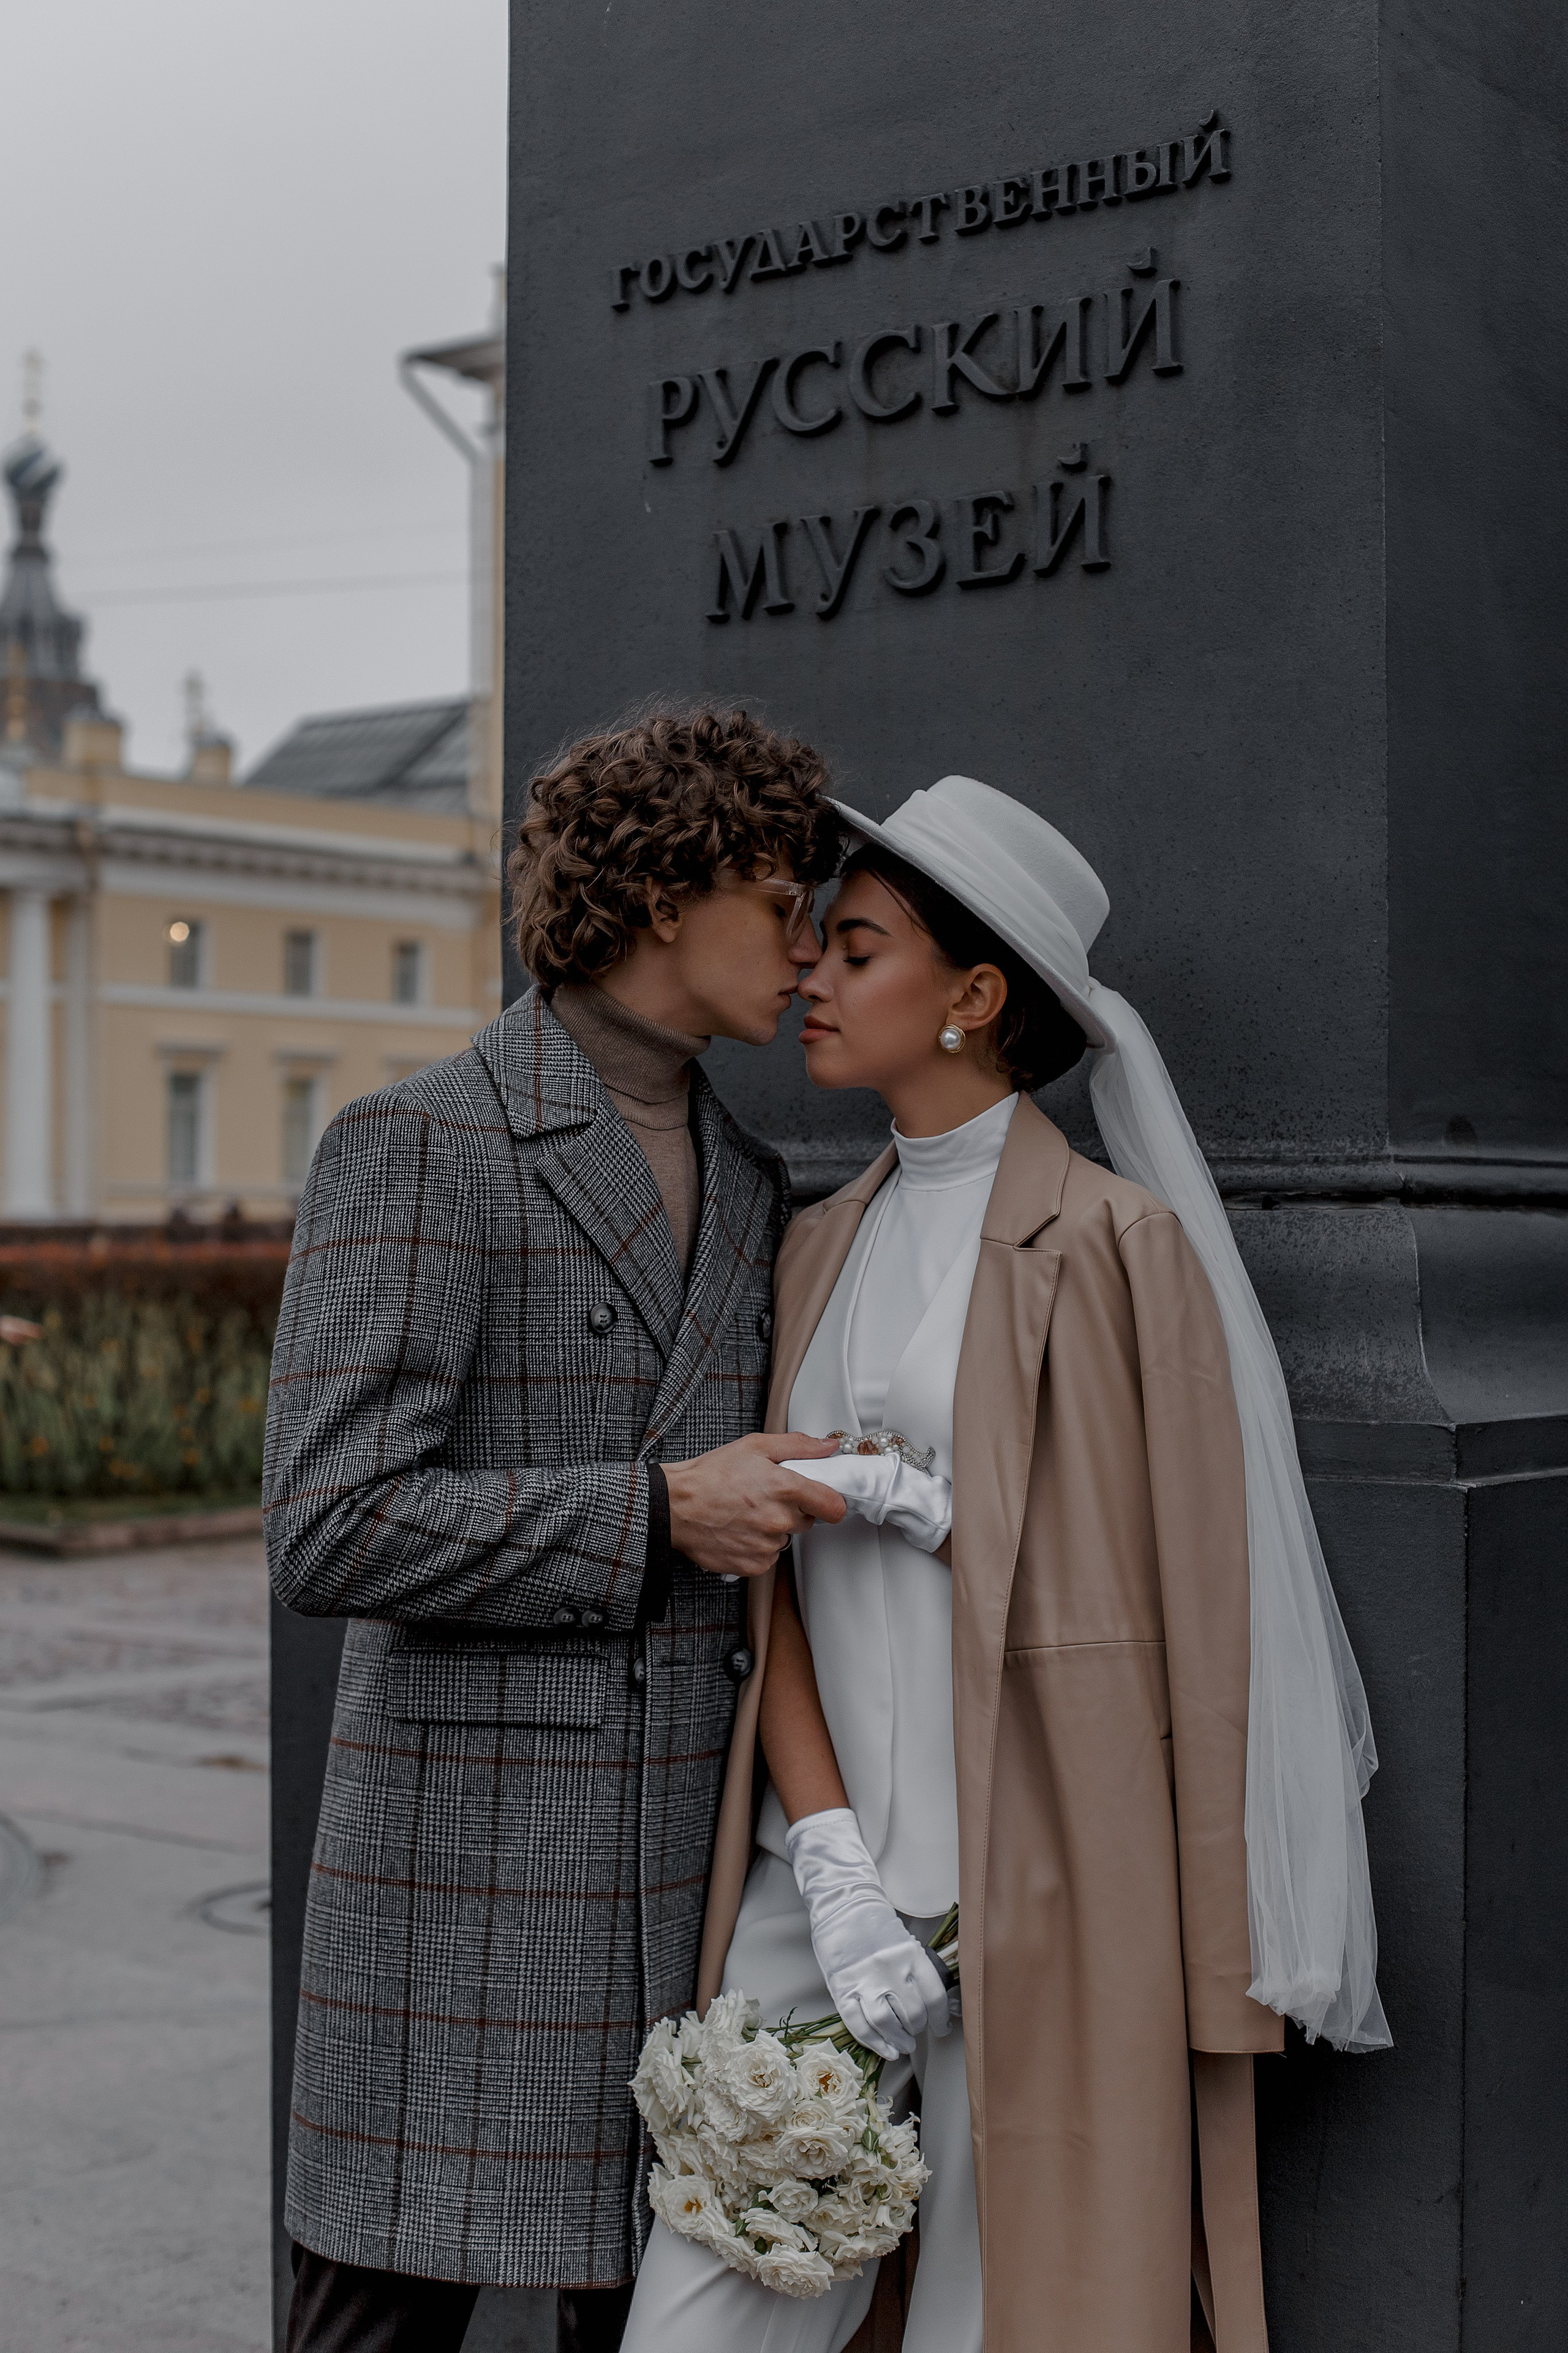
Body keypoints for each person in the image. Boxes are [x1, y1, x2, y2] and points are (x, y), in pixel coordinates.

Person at [621, 774, 1388, 2353]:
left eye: (855, 948)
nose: (810, 981)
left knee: (1015, 2320)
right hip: (819, 1883)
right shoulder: (813, 1242)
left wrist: (940, 1505)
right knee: (698, 2323)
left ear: (974, 997)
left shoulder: (1117, 1247)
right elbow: (769, 1598)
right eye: (816, 948)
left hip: (1050, 1888)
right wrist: (823, 1858)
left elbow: (1194, 1607)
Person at [265, 707, 852, 2353]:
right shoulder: (420, 1143)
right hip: (457, 1890)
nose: (806, 946)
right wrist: (659, 1508)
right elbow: (327, 1523)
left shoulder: (753, 1183)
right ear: (670, 894)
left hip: (677, 1881)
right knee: (372, 2325)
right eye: (778, 895)